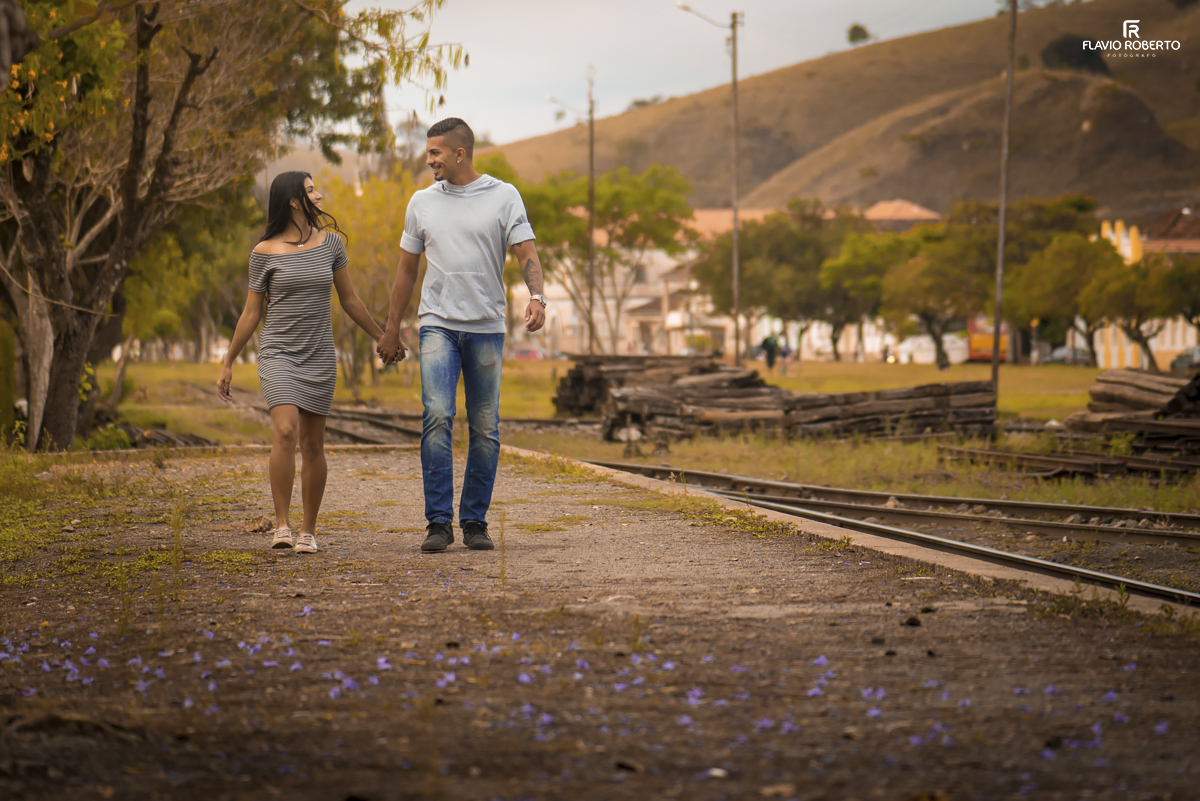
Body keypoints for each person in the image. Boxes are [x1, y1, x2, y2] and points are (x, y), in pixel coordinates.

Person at [377, 117, 546, 553]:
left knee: (485, 427)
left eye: (435, 152)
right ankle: (438, 523)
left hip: (487, 327)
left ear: (459, 154)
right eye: (427, 151)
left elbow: (526, 251)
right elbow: (406, 269)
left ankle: (474, 521)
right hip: (437, 324)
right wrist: (392, 328)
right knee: (436, 415)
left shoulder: (503, 196)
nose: (428, 159)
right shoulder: (421, 202)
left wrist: (537, 297)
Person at [218, 172, 384, 554]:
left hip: (319, 355)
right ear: (294, 200)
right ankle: (282, 525)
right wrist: (228, 361)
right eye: (311, 190)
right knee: (286, 433)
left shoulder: (331, 245)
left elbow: (351, 300)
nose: (318, 194)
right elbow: (249, 314)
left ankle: (308, 530)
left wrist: (383, 336)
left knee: (313, 444)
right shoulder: (263, 253)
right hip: (278, 354)